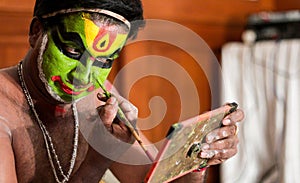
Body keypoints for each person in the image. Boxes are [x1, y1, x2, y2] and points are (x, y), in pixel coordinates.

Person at [0, 0, 244, 182]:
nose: (83, 77)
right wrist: (97, 162)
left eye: (104, 61)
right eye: (73, 51)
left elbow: (150, 180)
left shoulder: (95, 93)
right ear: (36, 32)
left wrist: (197, 155)